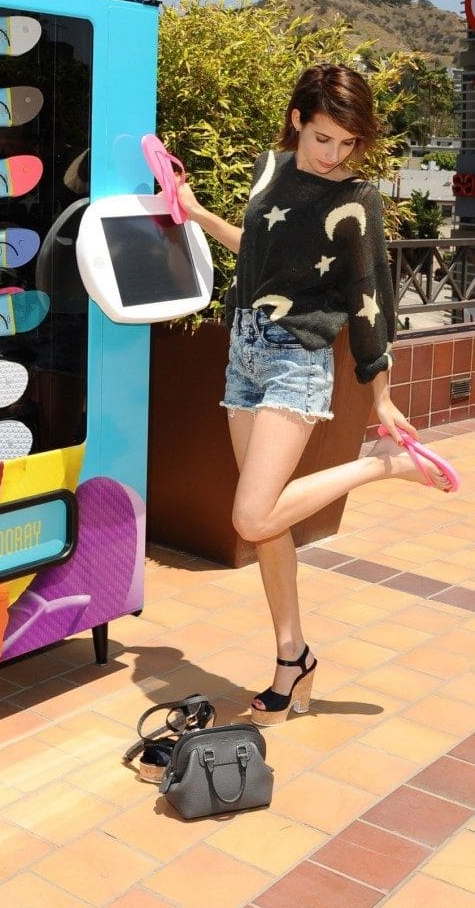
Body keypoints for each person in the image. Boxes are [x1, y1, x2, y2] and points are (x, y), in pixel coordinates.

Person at [175, 62, 458, 727]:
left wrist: (380, 394)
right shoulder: (270, 169)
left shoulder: (356, 200)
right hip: (242, 350)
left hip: (294, 361)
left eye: (347, 143)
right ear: (298, 120)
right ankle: (290, 658)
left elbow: (369, 301)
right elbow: (255, 252)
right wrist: (195, 214)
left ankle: (380, 467)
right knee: (268, 519)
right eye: (323, 138)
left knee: (250, 517)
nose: (334, 155)